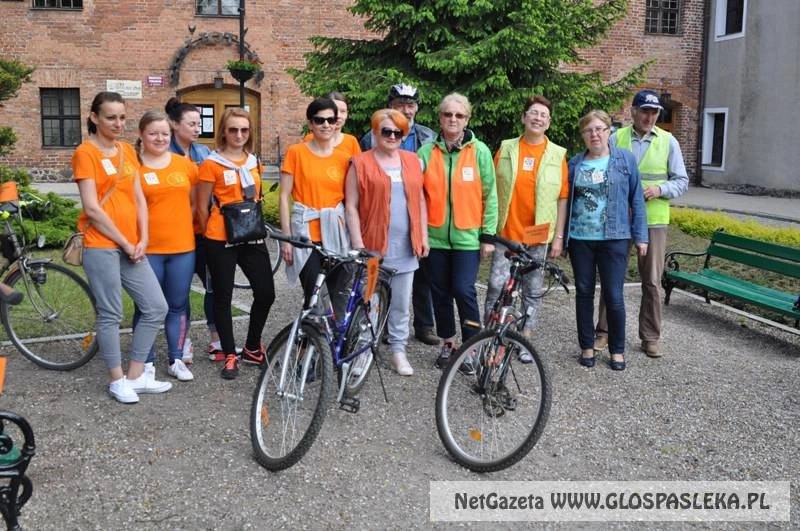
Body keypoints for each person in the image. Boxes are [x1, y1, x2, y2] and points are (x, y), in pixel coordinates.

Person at [72, 91, 169, 403]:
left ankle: (135, 375)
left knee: (156, 306)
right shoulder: (85, 153)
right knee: (110, 312)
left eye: (122, 117)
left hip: (132, 245)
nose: (117, 123)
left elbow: (139, 197)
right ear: (94, 118)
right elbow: (92, 208)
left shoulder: (128, 150)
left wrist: (143, 238)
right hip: (101, 244)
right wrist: (127, 242)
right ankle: (117, 379)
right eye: (111, 117)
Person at [594, 90, 689, 358]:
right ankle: (603, 332)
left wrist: (660, 189)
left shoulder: (669, 142)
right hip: (619, 218)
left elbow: (682, 180)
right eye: (645, 111)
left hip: (654, 220)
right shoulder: (616, 138)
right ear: (633, 111)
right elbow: (602, 171)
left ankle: (650, 337)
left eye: (654, 112)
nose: (650, 116)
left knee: (651, 281)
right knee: (612, 278)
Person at [417, 92, 498, 374]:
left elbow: (490, 195)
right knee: (439, 293)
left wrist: (488, 236)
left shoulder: (480, 152)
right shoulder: (427, 153)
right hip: (435, 238)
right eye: (448, 114)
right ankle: (448, 344)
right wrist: (419, 233)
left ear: (467, 119)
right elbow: (416, 196)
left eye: (459, 115)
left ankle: (472, 347)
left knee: (464, 291)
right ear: (440, 117)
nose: (453, 119)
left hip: (467, 238)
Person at [345, 109, 429, 376]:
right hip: (372, 246)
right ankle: (362, 352)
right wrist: (358, 244)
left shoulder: (413, 161)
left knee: (402, 304)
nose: (392, 136)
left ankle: (398, 351)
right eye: (387, 131)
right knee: (368, 303)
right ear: (375, 132)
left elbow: (420, 200)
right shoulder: (359, 162)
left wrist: (424, 235)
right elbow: (351, 206)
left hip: (406, 246)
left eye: (398, 132)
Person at [486, 95, 568, 361]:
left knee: (532, 291)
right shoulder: (506, 148)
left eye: (543, 115)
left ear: (549, 122)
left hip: (538, 236)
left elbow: (562, 198)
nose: (537, 118)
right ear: (524, 117)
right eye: (533, 112)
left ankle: (525, 339)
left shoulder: (557, 154)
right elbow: (491, 189)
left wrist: (557, 237)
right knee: (496, 287)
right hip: (507, 233)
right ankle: (489, 338)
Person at [196, 108, 276, 380]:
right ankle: (230, 353)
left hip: (250, 233)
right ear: (223, 132)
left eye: (244, 130)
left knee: (266, 292)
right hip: (220, 236)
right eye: (233, 130)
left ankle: (253, 346)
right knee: (223, 296)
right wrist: (209, 235)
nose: (239, 135)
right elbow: (201, 205)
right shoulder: (211, 164)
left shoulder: (254, 162)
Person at [566, 110, 648, 371]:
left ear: (609, 131)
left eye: (600, 129)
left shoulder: (624, 160)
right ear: (583, 135)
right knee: (584, 294)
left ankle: (617, 350)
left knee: (614, 295)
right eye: (589, 130)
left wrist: (641, 236)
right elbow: (565, 201)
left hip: (615, 238)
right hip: (581, 240)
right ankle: (587, 346)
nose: (595, 134)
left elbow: (636, 198)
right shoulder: (575, 164)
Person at [360, 83, 438, 346]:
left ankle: (424, 325)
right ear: (390, 106)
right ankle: (381, 324)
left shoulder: (429, 137)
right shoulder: (371, 137)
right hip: (385, 213)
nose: (406, 109)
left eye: (411, 104)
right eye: (400, 104)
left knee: (422, 274)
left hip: (419, 211)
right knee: (382, 273)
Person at [135, 110, 198, 383]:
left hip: (182, 247)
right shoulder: (134, 167)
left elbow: (195, 202)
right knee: (147, 307)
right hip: (148, 249)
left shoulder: (184, 164)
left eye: (164, 133)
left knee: (177, 304)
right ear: (142, 135)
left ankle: (175, 358)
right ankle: (145, 362)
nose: (159, 138)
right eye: (153, 133)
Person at [279, 98, 351, 312]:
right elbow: (284, 196)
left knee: (339, 295)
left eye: (331, 119)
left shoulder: (344, 158)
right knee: (313, 295)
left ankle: (337, 342)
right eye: (320, 120)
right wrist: (287, 239)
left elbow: (351, 200)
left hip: (336, 232)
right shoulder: (296, 152)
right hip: (306, 234)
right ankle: (310, 339)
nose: (326, 125)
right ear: (311, 123)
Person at [165, 97, 219, 363]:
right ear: (175, 124)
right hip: (178, 232)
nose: (197, 129)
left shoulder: (204, 153)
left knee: (213, 285)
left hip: (205, 230)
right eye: (191, 124)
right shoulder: (166, 155)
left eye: (199, 124)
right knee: (181, 290)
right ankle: (183, 340)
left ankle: (215, 338)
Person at [303, 92, 361, 158]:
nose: (338, 116)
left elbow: (358, 166)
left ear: (347, 114)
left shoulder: (351, 141)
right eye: (335, 111)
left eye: (343, 111)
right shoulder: (310, 139)